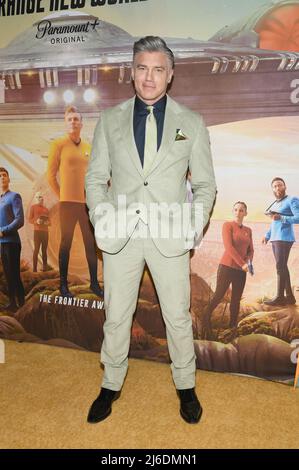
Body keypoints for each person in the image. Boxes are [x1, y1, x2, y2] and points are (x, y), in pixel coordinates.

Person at [85, 36, 216, 424]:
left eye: (158, 69)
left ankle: (186, 385)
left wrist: (192, 226)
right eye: (142, 67)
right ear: (131, 72)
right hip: (120, 232)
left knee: (177, 316)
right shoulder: (109, 120)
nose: (149, 77)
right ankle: (110, 383)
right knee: (116, 315)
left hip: (170, 235)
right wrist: (102, 217)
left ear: (170, 75)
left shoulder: (190, 123)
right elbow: (95, 179)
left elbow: (206, 185)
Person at [47, 105, 103, 298]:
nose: (73, 122)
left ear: (81, 123)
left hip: (86, 204)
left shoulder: (88, 147)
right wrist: (62, 195)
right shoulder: (58, 145)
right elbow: (50, 175)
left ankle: (94, 284)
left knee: (90, 244)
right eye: (70, 119)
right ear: (66, 123)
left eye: (76, 119)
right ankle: (64, 286)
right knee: (66, 244)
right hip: (67, 204)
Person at [201, 202, 254, 340]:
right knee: (218, 296)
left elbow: (251, 250)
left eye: (241, 210)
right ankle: (205, 319)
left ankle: (232, 329)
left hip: (241, 271)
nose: (238, 212)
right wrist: (243, 264)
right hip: (226, 267)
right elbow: (229, 247)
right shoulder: (227, 225)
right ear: (233, 211)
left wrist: (248, 262)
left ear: (245, 213)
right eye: (236, 209)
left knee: (236, 301)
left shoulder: (248, 230)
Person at [262, 177, 299, 306]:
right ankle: (289, 297)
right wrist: (267, 235)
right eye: (275, 186)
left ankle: (280, 297)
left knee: (280, 266)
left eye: (280, 185)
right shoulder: (275, 203)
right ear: (272, 189)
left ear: (285, 186)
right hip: (275, 238)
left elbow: (298, 218)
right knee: (283, 266)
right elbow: (274, 222)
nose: (277, 188)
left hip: (284, 238)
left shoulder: (292, 199)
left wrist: (281, 217)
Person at [0, 167, 25, 312]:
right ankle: (12, 302)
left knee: (14, 273)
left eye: (4, 175)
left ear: (9, 179)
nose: (2, 178)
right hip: (2, 243)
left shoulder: (14, 196)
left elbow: (20, 220)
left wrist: (3, 231)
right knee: (8, 274)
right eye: (0, 176)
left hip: (12, 242)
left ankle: (21, 302)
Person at [28, 192, 51, 272]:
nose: (41, 199)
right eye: (39, 197)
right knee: (36, 249)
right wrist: (36, 221)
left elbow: (50, 221)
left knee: (44, 250)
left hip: (45, 232)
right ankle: (34, 269)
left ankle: (45, 268)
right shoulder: (33, 207)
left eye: (42, 197)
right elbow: (29, 219)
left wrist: (48, 223)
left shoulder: (46, 209)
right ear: (36, 198)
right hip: (37, 231)